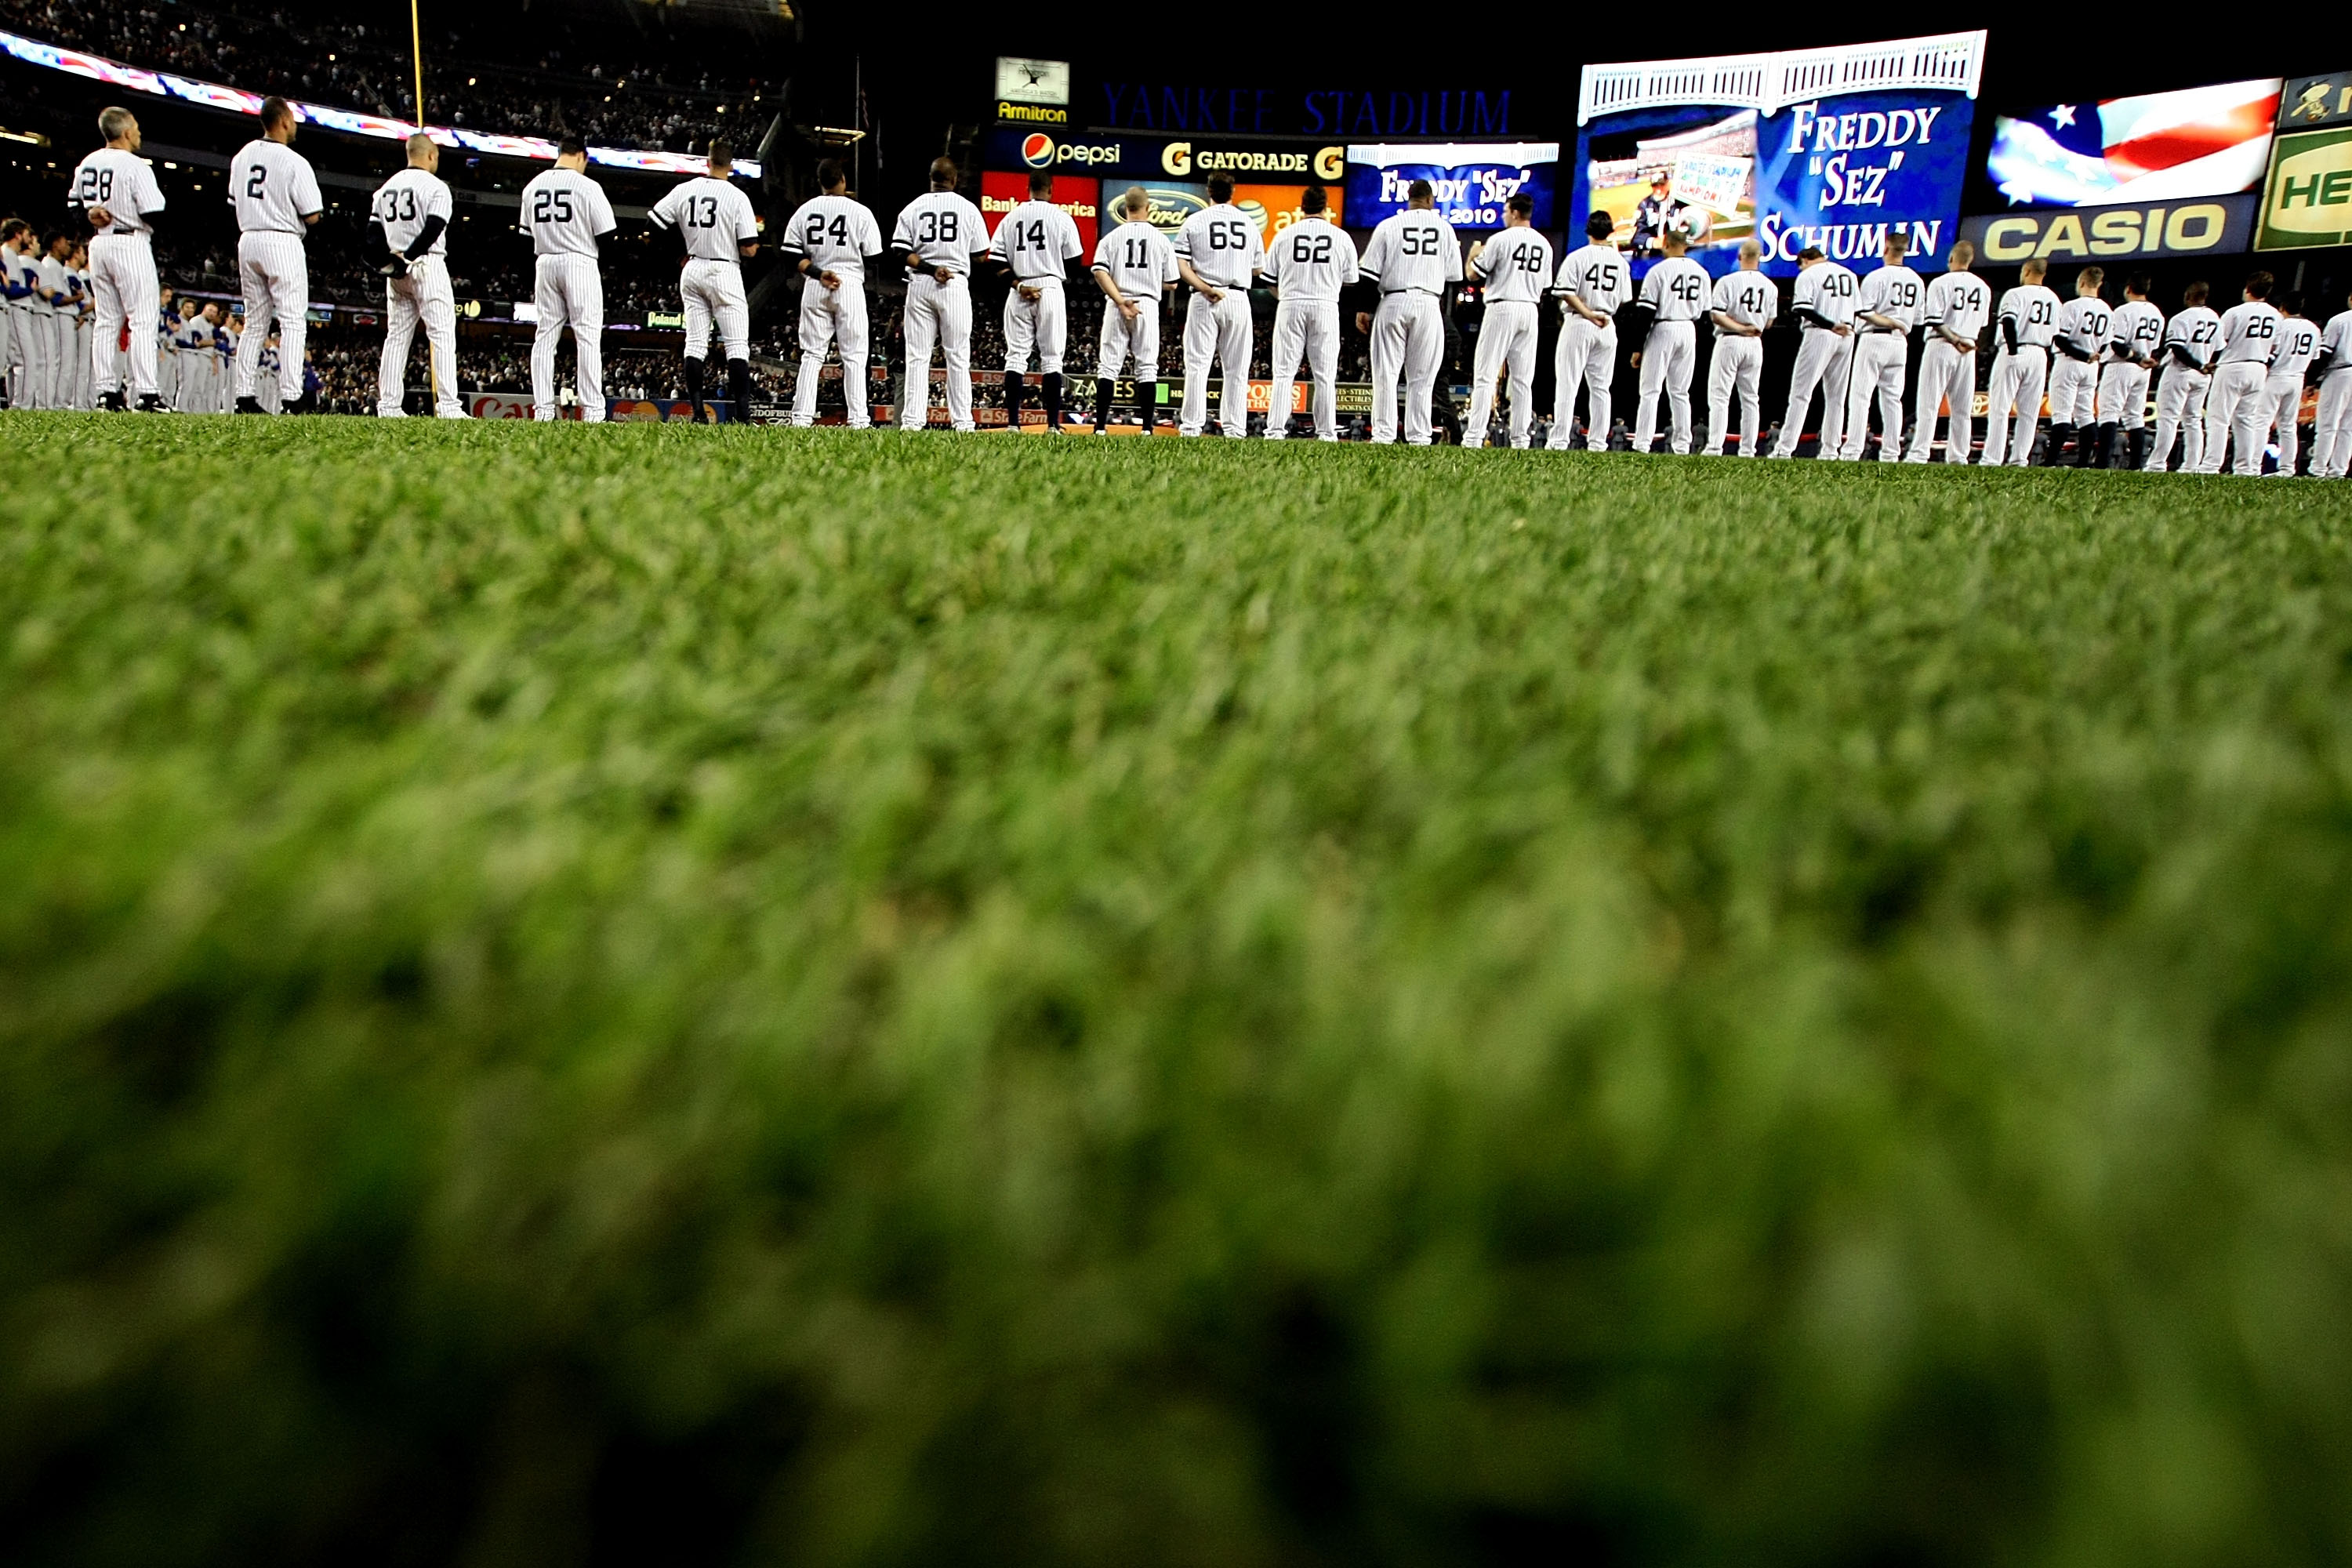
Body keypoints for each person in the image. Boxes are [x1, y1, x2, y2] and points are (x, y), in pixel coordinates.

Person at [648, 136, 761, 423]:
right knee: (736, 345)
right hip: (724, 269)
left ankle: (698, 413)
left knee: (695, 344)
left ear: (707, 162)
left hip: (694, 266)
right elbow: (749, 248)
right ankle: (743, 417)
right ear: (731, 165)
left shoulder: (685, 189)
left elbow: (654, 223)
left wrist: (679, 253)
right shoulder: (737, 197)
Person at [227, 96, 321, 415]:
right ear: (282, 121)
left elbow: (232, 201)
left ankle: (243, 397)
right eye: (292, 119)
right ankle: (292, 398)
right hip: (282, 241)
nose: (294, 125)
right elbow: (312, 215)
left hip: (248, 238)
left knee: (254, 324)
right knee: (293, 322)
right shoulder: (294, 161)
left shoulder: (242, 156)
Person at [1356, 178, 1462, 446]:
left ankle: (1383, 435)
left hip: (1392, 300)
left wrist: (1364, 310)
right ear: (1430, 200)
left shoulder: (1388, 226)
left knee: (1386, 375)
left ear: (1409, 199)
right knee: (1422, 378)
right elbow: (1454, 277)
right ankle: (1419, 437)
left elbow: (1369, 274)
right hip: (1428, 302)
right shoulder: (1445, 229)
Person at [520, 137, 618, 423]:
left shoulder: (532, 186)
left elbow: (524, 238)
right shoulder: (588, 186)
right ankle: (593, 411)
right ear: (582, 156)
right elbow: (607, 236)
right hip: (579, 261)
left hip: (545, 260)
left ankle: (543, 410)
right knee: (587, 337)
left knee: (545, 337)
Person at [782, 158, 883, 430]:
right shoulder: (859, 211)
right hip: (848, 282)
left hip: (816, 281)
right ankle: (858, 419)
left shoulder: (805, 210)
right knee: (854, 356)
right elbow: (874, 257)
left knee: (812, 355)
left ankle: (801, 418)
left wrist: (817, 272)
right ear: (843, 180)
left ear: (820, 181)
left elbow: (790, 254)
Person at [891, 158, 989, 432]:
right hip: (955, 283)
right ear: (955, 180)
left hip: (921, 281)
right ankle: (963, 423)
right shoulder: (968, 208)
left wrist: (931, 267)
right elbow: (981, 254)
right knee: (957, 355)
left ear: (931, 178)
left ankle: (911, 422)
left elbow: (900, 251)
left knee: (917, 356)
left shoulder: (914, 206)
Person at [372, 132, 463, 419]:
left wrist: (388, 263)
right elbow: (434, 227)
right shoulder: (437, 187)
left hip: (396, 268)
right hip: (427, 263)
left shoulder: (385, 188)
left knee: (396, 337)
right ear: (431, 155)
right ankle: (449, 406)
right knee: (442, 337)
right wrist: (409, 256)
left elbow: (371, 239)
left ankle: (388, 406)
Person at [987, 168, 1084, 432]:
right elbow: (1075, 261)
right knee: (1052, 359)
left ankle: (1013, 424)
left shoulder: (1011, 216)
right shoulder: (1062, 218)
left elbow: (995, 260)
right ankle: (1053, 424)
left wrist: (1019, 284)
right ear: (1051, 190)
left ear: (1027, 189)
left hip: (1019, 287)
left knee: (1016, 357)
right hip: (1050, 285)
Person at [1174, 172, 1267, 438]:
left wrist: (1205, 286)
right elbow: (1258, 268)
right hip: (1238, 298)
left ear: (1209, 191)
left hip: (1204, 297)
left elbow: (1181, 264)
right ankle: (1235, 429)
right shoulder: (1249, 223)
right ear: (1233, 192)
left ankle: (1191, 428)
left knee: (1197, 366)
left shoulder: (1195, 220)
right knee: (1237, 370)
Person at [1261, 183, 1354, 441]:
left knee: (1283, 372)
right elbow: (1350, 279)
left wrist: (1286, 296)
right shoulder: (1341, 237)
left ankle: (1275, 431)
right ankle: (1326, 433)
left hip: (1291, 303)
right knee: (1325, 375)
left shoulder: (1284, 235)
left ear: (1302, 207)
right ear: (1326, 208)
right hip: (1325, 304)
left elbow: (1268, 279)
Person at [1463, 192, 1551, 449]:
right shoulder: (1544, 243)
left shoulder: (1499, 240)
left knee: (1486, 375)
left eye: (1505, 211)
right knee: (1523, 380)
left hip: (1502, 307)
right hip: (1530, 309)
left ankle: (1474, 437)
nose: (1503, 215)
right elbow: (1545, 284)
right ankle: (1521, 440)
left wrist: (1473, 253)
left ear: (1514, 212)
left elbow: (1472, 274)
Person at [1088, 185, 1177, 434]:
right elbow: (1172, 282)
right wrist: (1148, 280)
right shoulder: (1161, 239)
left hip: (1117, 303)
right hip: (1147, 305)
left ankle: (1100, 428)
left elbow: (1099, 271)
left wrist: (1119, 301)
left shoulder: (1111, 237)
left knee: (1108, 366)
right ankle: (1147, 429)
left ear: (1126, 208)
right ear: (1148, 208)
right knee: (1147, 367)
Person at [1832, 230, 1922, 460]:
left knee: (1861, 397)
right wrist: (1898, 322)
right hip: (1900, 342)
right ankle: (1892, 452)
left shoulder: (1877, 276)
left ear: (1886, 248)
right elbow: (1919, 319)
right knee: (1893, 399)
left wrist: (1889, 320)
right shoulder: (1916, 280)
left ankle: (1853, 449)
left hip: (1875, 339)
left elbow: (1863, 312)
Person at [1548, 212, 1631, 452]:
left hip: (1579, 323)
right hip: (1606, 323)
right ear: (1610, 232)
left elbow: (1565, 292)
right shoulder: (1621, 262)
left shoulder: (1577, 257)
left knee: (1567, 384)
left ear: (1588, 230)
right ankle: (1597, 443)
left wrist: (1587, 312)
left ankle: (1559, 441)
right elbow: (1625, 298)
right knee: (1601, 388)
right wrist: (1600, 311)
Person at [1904, 240, 1990, 463]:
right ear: (1970, 260)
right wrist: (1965, 340)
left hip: (1942, 344)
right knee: (1962, 408)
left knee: (1929, 404)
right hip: (1968, 348)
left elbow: (1933, 319)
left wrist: (1954, 338)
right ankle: (1959, 456)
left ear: (1952, 258)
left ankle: (1919, 453)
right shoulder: (1983, 287)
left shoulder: (1940, 283)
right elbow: (1981, 324)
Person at [1769, 245, 1858, 459]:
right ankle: (1830, 450)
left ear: (1805, 260)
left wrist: (1829, 324)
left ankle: (1784, 448)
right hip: (1847, 333)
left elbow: (1802, 308)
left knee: (1801, 394)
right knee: (1837, 397)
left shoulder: (1809, 274)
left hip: (1820, 333)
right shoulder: (1849, 274)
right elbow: (1858, 310)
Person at [1628, 228, 1708, 455]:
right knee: (1681, 392)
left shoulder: (1659, 270)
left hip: (1664, 327)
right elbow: (1705, 313)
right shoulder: (1700, 272)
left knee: (1651, 390)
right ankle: (1683, 445)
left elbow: (1645, 312)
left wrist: (1637, 347)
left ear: (1666, 244)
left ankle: (1642, 443)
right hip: (1688, 328)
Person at [2196, 271, 2282, 476]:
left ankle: (2210, 466)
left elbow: (2219, 343)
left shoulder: (2235, 312)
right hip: (2259, 367)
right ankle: (2246, 468)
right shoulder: (2276, 315)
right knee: (2246, 420)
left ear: (2248, 289)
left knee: (2219, 418)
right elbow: (2275, 347)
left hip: (2233, 365)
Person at [1980, 258, 2060, 467]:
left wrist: (2014, 351)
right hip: (2040, 353)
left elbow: (2008, 321)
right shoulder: (2053, 298)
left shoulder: (2015, 294)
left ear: (2026, 271)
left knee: (2000, 408)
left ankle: (1992, 459)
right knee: (2029, 412)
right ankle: (2019, 459)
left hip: (2015, 349)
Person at [1704, 239, 1775, 456]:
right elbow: (1769, 322)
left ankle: (1716, 446)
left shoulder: (1727, 281)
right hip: (1755, 343)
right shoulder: (1770, 286)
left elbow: (1717, 315)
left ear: (1740, 256)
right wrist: (1751, 328)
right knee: (1751, 398)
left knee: (1720, 396)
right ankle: (1748, 449)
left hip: (1730, 340)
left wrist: (1741, 328)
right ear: (1760, 258)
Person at [2145, 281, 2219, 473]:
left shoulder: (2181, 317)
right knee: (2193, 420)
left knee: (2168, 418)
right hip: (2202, 375)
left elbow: (2177, 348)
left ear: (2188, 296)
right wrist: (2205, 365)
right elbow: (2219, 348)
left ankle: (2157, 464)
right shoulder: (2215, 317)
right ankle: (2192, 465)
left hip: (2181, 371)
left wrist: (2199, 365)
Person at [2043, 266, 2112, 466]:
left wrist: (2084, 354)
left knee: (2062, 413)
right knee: (2085, 414)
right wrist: (2092, 355)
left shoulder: (2072, 306)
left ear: (2081, 282)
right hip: (2092, 366)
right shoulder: (2106, 310)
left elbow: (2061, 340)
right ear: (2099, 285)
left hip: (2070, 362)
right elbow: (2107, 343)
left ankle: (2051, 461)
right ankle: (2083, 462)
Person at [2094, 274, 2163, 469]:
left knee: (2109, 413)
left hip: (2122, 365)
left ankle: (2102, 463)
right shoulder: (2156, 312)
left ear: (2129, 288)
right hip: (2143, 368)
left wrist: (2136, 358)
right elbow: (2156, 346)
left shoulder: (2123, 310)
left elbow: (2117, 344)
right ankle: (2135, 465)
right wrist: (2143, 359)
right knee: (2135, 415)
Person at [2259, 297, 2319, 477]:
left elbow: (2272, 354)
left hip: (2277, 376)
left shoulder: (2282, 325)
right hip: (2297, 377)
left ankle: (2252, 465)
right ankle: (2287, 468)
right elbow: (2315, 359)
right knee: (2288, 425)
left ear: (2282, 308)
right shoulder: (2313, 328)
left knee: (2262, 422)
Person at [2311, 287, 2352, 480]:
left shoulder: (2340, 320)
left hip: (2341, 373)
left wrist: (2312, 381)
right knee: (2349, 428)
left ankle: (2318, 469)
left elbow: (2325, 354)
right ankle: (2338, 471)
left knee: (2328, 423)